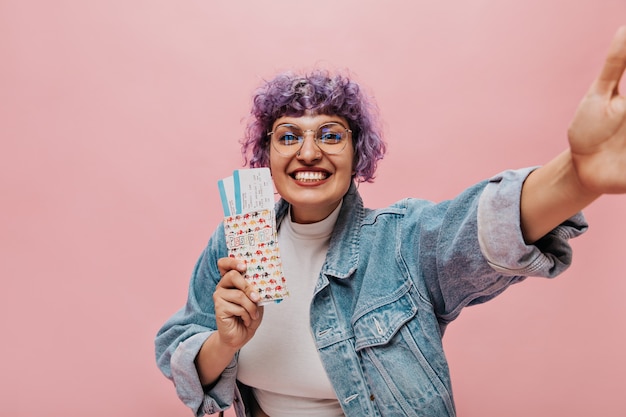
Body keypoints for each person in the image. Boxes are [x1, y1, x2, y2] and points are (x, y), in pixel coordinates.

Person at [155, 26, 626, 417]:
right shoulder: (238, 240)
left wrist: (576, 177)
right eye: (289, 136)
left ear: (357, 151)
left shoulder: (401, 241)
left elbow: (479, 229)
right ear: (267, 154)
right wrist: (223, 342)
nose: (308, 152)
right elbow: (179, 343)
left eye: (330, 134)